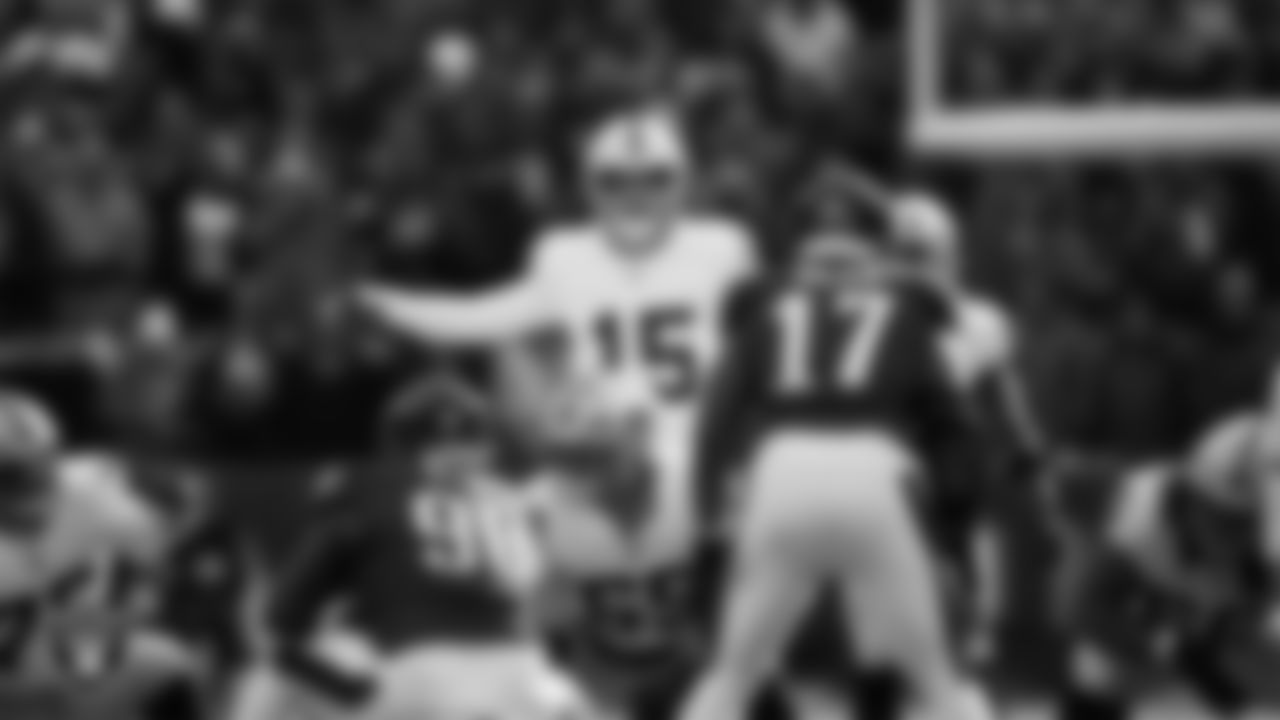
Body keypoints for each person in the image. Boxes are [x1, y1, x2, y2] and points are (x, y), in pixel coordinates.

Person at [355, 107, 759, 717]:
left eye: (653, 179)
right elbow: (482, 320)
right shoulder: (541, 508)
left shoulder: (720, 250)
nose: (636, 197)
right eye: (618, 182)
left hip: (694, 469)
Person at [679, 224, 994, 720]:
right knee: (935, 677)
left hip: (782, 471)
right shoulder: (907, 313)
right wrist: (953, 526)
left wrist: (707, 523)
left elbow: (714, 425)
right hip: (877, 474)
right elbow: (954, 428)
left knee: (733, 673)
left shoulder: (763, 313)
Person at [236, 374, 587, 720]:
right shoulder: (512, 500)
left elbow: (283, 614)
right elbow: (553, 609)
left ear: (395, 442)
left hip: (422, 678)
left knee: (279, 661)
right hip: (530, 677)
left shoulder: (366, 485)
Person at [1050, 396, 1280, 720]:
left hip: (1219, 625)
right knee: (1100, 667)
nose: (1244, 538)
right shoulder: (1128, 525)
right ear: (1192, 497)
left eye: (1255, 523)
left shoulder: (1259, 543)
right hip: (1145, 624)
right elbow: (1073, 604)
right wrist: (1165, 645)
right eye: (1231, 522)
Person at [0, 391, 170, 719]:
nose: (25, 485)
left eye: (35, 468)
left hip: (89, 673)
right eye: (9, 476)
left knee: (167, 665)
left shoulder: (103, 501)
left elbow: (159, 571)